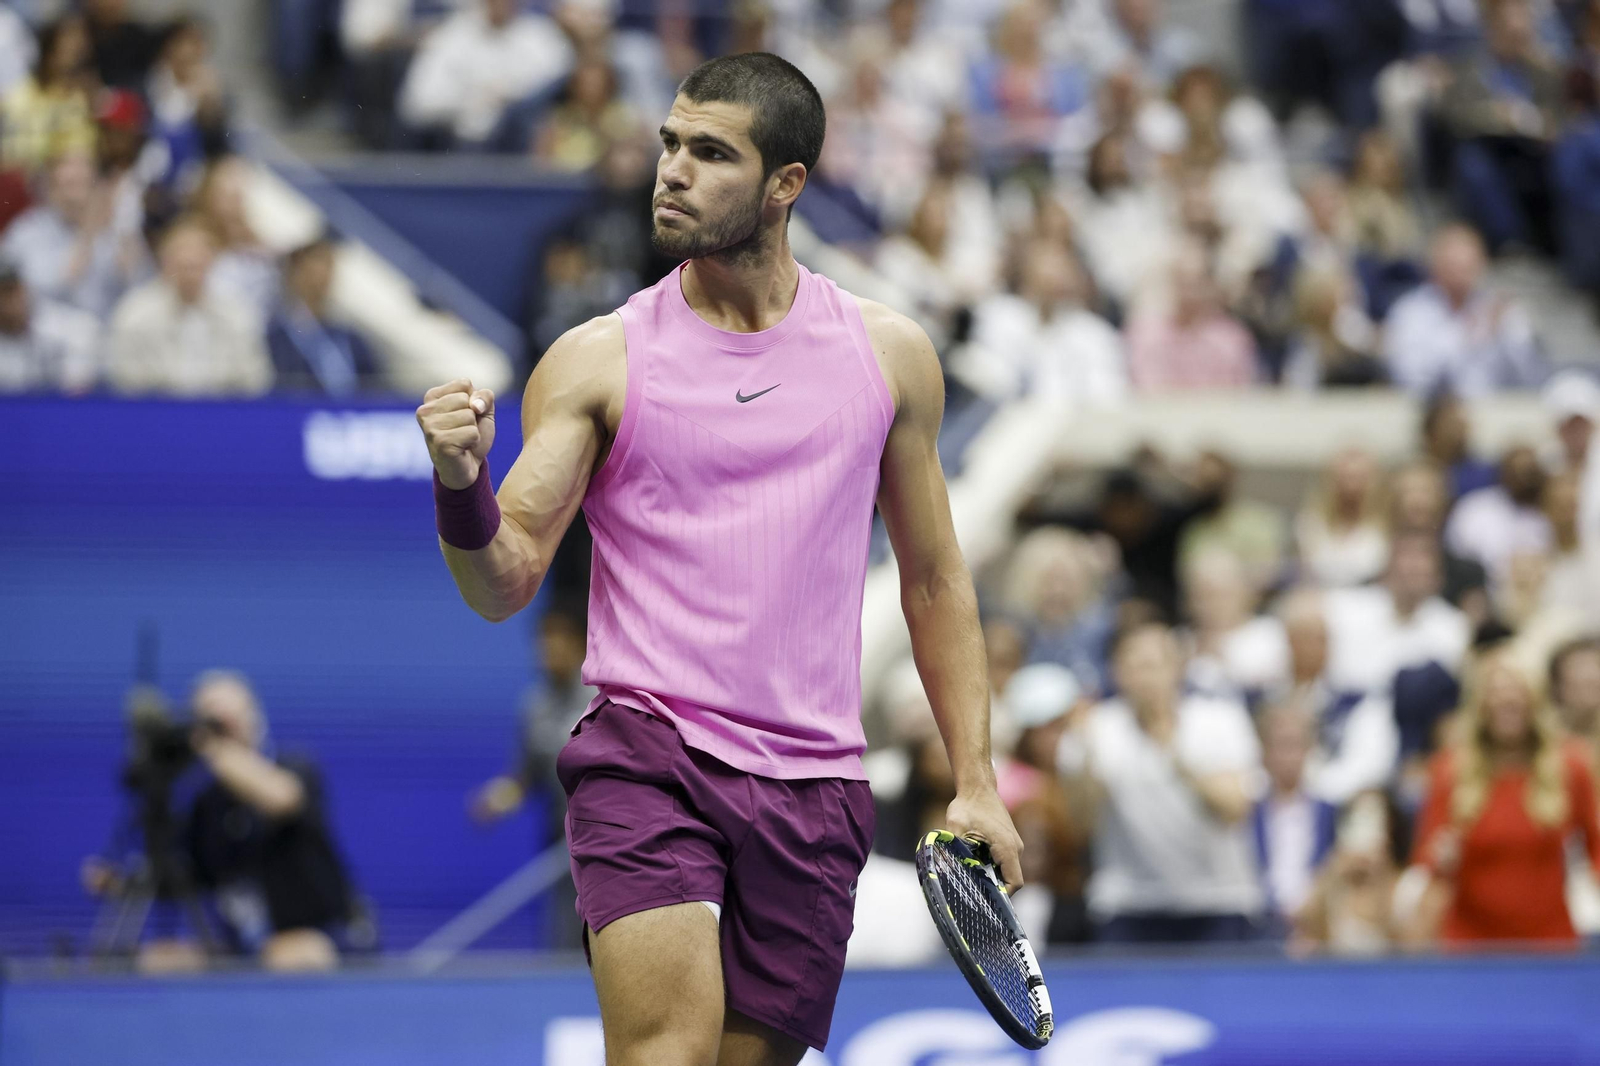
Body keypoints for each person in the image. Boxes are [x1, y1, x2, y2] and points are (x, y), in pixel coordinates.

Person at [414, 53, 1023, 1065]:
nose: (672, 171)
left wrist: (976, 780)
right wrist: (459, 482)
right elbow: (504, 577)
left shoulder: (888, 355)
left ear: (785, 182)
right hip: (650, 759)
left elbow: (932, 578)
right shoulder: (598, 358)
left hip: (815, 788)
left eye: (709, 152)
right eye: (669, 145)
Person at [1058, 622, 1263, 943]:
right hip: (1129, 903)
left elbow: (1234, 809)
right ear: (1117, 672)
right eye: (1134, 667)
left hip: (1218, 900)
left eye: (1153, 666)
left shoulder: (1220, 720)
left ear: (1177, 669)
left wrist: (1170, 746)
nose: (1145, 679)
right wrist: (1084, 754)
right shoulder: (1096, 728)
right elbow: (1082, 824)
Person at [1410, 651, 1600, 946]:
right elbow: (1427, 858)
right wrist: (1441, 856)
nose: (1507, 703)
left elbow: (1595, 848)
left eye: (1517, 694)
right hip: (1471, 946)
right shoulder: (1448, 772)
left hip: (1550, 945)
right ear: (1480, 706)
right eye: (1497, 694)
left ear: (1535, 702)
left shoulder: (1571, 767)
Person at [182, 670, 359, 971]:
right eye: (208, 720)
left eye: (226, 721)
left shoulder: (295, 766)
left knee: (295, 956)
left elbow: (281, 798)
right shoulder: (205, 802)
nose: (219, 730)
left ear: (254, 716)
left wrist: (216, 748)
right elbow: (184, 873)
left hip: (324, 936)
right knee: (163, 960)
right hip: (242, 947)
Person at [105, 217, 272, 396]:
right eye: (183, 266)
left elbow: (256, 378)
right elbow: (123, 379)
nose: (190, 276)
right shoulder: (135, 314)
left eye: (197, 266)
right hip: (154, 414)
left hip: (221, 414)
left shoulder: (236, 314)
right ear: (165, 262)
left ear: (211, 264)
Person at [1382, 224, 1543, 397]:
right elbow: (1409, 376)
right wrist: (1468, 337)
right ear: (1434, 266)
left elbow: (1531, 377)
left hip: (1495, 412)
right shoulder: (1410, 312)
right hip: (1437, 416)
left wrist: (1510, 336)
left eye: (1468, 267)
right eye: (1453, 267)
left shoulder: (1497, 309)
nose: (1461, 276)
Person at [399, 0, 574, 149]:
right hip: (464, 143)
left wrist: (510, 98)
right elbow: (418, 103)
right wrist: (473, 101)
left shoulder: (542, 37)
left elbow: (568, 87)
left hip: (526, 144)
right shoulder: (452, 37)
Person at [1251, 701, 1338, 937]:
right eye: (1279, 745)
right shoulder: (1246, 815)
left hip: (1317, 927)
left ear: (1309, 749)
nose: (1287, 756)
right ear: (1264, 751)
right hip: (1259, 928)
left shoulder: (1331, 814)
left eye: (1295, 745)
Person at [266, 235, 383, 396]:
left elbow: (373, 382)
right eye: (314, 268)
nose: (322, 276)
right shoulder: (276, 335)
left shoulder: (348, 336)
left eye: (328, 267)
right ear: (295, 272)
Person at [0, 254, 99, 393]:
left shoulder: (69, 328)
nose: (6, 302)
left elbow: (78, 390)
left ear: (23, 288)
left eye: (10, 291)